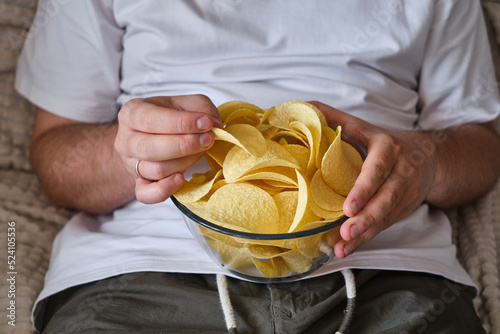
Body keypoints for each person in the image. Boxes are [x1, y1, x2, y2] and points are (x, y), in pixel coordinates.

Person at [15, 0, 500, 333]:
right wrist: (130, 157)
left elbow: (479, 145)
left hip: (387, 277)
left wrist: (424, 163)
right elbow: (55, 158)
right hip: (142, 279)